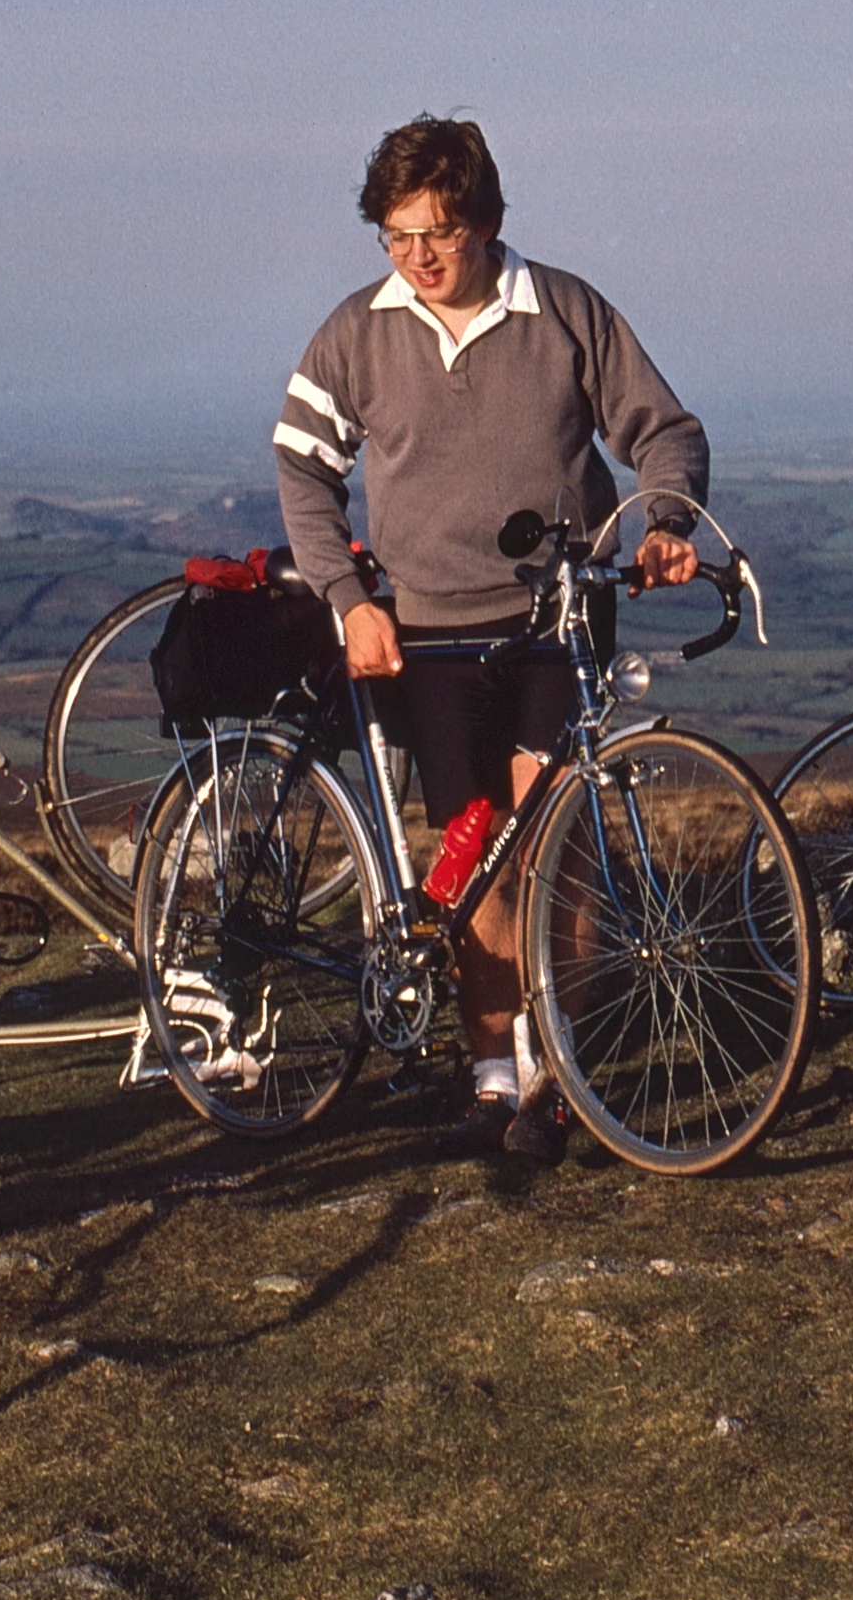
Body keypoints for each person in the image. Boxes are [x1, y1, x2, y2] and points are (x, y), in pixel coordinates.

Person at [273, 116, 710, 1162]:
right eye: (395, 234)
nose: (418, 257)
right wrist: (347, 594)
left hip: (558, 621)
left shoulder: (562, 309)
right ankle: (489, 1075)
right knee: (472, 865)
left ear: (485, 221)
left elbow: (662, 429)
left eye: (439, 232)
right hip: (423, 632)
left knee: (552, 840)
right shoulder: (356, 329)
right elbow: (301, 467)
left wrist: (665, 518)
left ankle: (559, 1075)